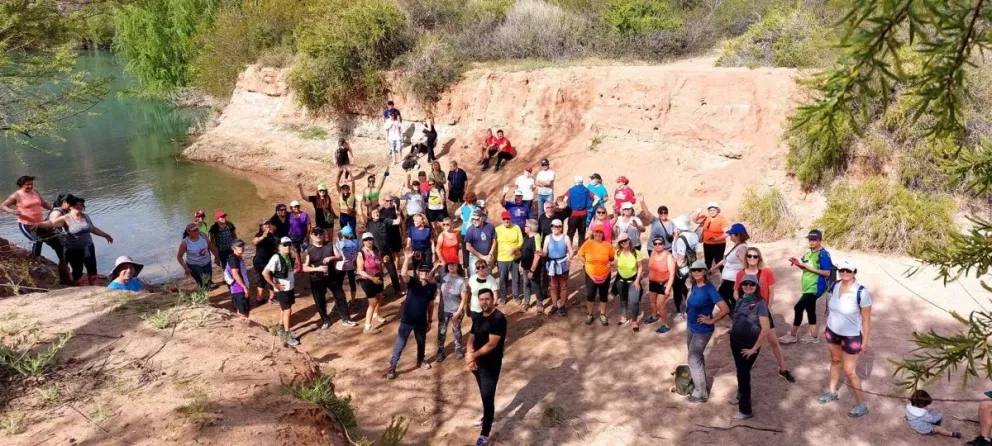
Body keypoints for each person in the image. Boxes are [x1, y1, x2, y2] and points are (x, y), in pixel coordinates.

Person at [817, 259, 871, 418]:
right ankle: (832, 392)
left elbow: (867, 320)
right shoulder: (834, 286)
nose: (845, 273)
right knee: (834, 361)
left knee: (849, 371)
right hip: (832, 331)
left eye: (848, 271)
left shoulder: (861, 292)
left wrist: (865, 341)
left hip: (851, 335)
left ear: (854, 272)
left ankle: (862, 404)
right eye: (842, 271)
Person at [733, 247, 795, 382]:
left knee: (773, 341)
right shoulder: (740, 273)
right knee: (747, 340)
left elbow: (771, 291)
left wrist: (768, 307)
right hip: (747, 314)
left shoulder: (766, 272)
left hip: (762, 312)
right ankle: (747, 366)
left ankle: (783, 369)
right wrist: (740, 305)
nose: (752, 259)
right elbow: (736, 291)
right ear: (746, 258)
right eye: (749, 256)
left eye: (755, 256)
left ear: (759, 258)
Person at [37, 196, 113, 286]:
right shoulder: (66, 218)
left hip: (88, 247)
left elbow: (93, 229)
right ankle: (79, 290)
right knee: (77, 271)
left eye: (81, 205)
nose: (79, 206)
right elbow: (52, 223)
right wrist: (39, 224)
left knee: (92, 270)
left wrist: (106, 235)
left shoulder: (85, 216)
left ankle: (94, 287)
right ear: (71, 207)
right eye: (76, 205)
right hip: (73, 249)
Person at [684, 260, 730, 403]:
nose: (696, 272)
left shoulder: (709, 289)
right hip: (691, 327)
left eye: (699, 270)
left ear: (704, 272)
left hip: (702, 330)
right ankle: (700, 384)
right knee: (696, 358)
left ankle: (701, 393)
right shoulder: (694, 285)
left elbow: (725, 309)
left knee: (693, 358)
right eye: (693, 270)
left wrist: (711, 320)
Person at [466, 288, 506, 446]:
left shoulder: (499, 318)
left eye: (487, 299)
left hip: (491, 365)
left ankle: (485, 434)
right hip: (477, 363)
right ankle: (486, 415)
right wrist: (470, 357)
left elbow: (492, 344)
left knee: (488, 397)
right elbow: (471, 338)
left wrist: (473, 356)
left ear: (492, 299)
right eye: (481, 299)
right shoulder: (478, 318)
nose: (484, 302)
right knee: (483, 392)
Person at [386, 259, 439, 379]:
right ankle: (392, 367)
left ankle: (420, 360)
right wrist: (406, 257)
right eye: (421, 272)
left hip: (421, 321)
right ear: (418, 273)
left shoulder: (431, 286)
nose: (424, 274)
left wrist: (429, 321)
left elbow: (430, 305)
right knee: (400, 344)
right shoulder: (413, 282)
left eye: (426, 272)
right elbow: (404, 274)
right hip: (407, 320)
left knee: (421, 342)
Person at [727, 274, 771, 420]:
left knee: (743, 374)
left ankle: (746, 410)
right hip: (735, 341)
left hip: (749, 345)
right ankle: (740, 396)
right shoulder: (740, 299)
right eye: (745, 284)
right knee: (740, 371)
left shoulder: (760, 304)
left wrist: (754, 348)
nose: (748, 286)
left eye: (751, 284)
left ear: (756, 287)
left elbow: (765, 329)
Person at [780, 229, 834, 344]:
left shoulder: (823, 254)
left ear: (820, 240)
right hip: (807, 286)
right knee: (810, 309)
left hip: (816, 287)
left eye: (814, 239)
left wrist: (807, 267)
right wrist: (798, 264)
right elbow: (805, 267)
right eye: (810, 239)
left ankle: (792, 335)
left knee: (798, 307)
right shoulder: (808, 251)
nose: (811, 242)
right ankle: (814, 336)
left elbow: (827, 273)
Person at [306, 228, 357, 330]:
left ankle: (346, 319)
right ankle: (325, 320)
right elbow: (304, 267)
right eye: (315, 234)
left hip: (331, 276)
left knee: (340, 296)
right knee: (320, 300)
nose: (318, 235)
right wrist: (317, 268)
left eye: (320, 233)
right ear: (311, 236)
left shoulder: (330, 245)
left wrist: (331, 258)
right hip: (316, 278)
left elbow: (340, 257)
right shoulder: (309, 250)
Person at [2, 175, 52, 257]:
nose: (30, 186)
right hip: (26, 224)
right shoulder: (16, 195)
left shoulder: (35, 191)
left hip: (40, 222)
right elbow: (3, 206)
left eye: (31, 184)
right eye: (27, 184)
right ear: (21, 185)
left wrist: (52, 208)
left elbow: (43, 203)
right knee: (37, 241)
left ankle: (37, 258)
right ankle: (35, 261)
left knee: (50, 239)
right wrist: (12, 211)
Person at [263, 237, 299, 346]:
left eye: (289, 244)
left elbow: (291, 269)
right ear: (279, 246)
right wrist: (275, 285)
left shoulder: (289, 256)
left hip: (289, 287)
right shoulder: (276, 258)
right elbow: (265, 273)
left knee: (284, 309)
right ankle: (287, 335)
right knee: (288, 310)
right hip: (283, 289)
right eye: (285, 245)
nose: (287, 246)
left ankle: (280, 327)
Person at [578, 223, 615, 326]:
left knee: (603, 295)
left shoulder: (607, 245)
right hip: (590, 274)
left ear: (603, 234)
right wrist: (585, 263)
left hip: (605, 274)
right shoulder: (588, 243)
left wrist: (611, 263)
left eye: (600, 232)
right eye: (596, 232)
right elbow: (580, 254)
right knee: (591, 294)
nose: (598, 234)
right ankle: (590, 314)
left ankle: (602, 314)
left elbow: (613, 257)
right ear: (593, 233)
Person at [712, 223, 748, 314]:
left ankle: (735, 316)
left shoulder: (741, 249)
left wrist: (742, 281)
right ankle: (736, 316)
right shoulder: (736, 245)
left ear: (737, 235)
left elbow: (746, 266)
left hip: (733, 281)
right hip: (729, 280)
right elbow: (726, 259)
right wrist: (715, 267)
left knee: (722, 297)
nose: (729, 236)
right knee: (731, 298)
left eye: (731, 234)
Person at [366, 206, 404, 294]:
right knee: (377, 272)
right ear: (371, 215)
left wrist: (398, 214)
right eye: (374, 213)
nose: (377, 214)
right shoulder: (369, 224)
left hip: (386, 251)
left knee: (392, 271)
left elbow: (398, 222)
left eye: (377, 212)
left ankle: (397, 289)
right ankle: (380, 292)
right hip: (375, 252)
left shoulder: (385, 220)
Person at [436, 262, 467, 362]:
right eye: (450, 265)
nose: (452, 267)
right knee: (442, 331)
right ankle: (440, 351)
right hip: (443, 310)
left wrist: (458, 312)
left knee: (456, 330)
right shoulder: (443, 277)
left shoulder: (461, 281)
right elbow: (429, 279)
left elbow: (464, 299)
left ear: (458, 267)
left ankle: (458, 348)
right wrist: (435, 266)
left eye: (454, 265)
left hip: (456, 310)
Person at [644, 237, 676, 334]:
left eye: (660, 243)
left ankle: (665, 325)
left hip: (663, 284)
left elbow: (672, 274)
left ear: (664, 244)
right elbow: (650, 267)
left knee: (660, 305)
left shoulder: (668, 256)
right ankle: (654, 316)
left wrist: (668, 287)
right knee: (652, 302)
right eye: (655, 243)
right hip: (653, 282)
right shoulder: (653, 253)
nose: (657, 245)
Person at [612, 233, 643, 331]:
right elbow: (616, 265)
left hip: (633, 280)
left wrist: (638, 280)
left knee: (634, 301)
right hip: (620, 279)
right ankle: (624, 317)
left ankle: (634, 321)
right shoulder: (617, 252)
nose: (624, 243)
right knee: (622, 298)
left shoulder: (636, 253)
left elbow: (640, 267)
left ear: (629, 240)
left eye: (625, 240)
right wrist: (611, 264)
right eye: (621, 242)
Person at [671, 215, 699, 321]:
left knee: (677, 289)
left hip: (682, 268)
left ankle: (679, 312)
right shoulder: (693, 235)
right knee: (689, 288)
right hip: (692, 265)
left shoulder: (681, 239)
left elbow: (680, 257)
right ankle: (690, 310)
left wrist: (674, 270)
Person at [357, 232, 386, 333]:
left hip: (378, 277)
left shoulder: (376, 250)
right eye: (366, 240)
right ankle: (367, 327)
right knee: (372, 302)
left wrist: (383, 261)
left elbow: (379, 263)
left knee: (379, 297)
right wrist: (372, 279)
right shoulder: (361, 253)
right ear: (363, 242)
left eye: (370, 239)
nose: (368, 241)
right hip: (367, 279)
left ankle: (376, 315)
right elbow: (360, 271)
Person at [543, 219, 573, 316]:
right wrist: (541, 253)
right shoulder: (548, 237)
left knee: (563, 286)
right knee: (553, 286)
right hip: (552, 265)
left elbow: (571, 251)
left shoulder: (565, 237)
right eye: (552, 226)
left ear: (560, 227)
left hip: (563, 264)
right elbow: (544, 251)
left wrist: (569, 259)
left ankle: (562, 305)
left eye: (556, 226)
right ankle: (555, 305)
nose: (554, 228)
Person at [41, 193, 72, 285]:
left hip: (54, 235)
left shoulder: (64, 211)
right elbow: (52, 223)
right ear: (65, 203)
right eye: (71, 204)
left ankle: (64, 279)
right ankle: (66, 280)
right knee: (64, 257)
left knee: (64, 257)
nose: (72, 207)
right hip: (50, 236)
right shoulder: (57, 212)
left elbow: (66, 225)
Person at [494, 211, 523, 305]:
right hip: (502, 258)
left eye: (508, 218)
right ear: (501, 219)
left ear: (511, 218)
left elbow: (521, 241)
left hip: (515, 258)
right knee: (502, 279)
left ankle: (516, 296)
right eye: (504, 219)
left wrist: (516, 248)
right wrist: (495, 258)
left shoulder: (516, 227)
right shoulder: (497, 229)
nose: (506, 220)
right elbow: (495, 244)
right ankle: (503, 297)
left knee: (516, 278)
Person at [560, 176, 597, 247]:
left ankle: (569, 249)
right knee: (582, 233)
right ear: (582, 182)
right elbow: (597, 198)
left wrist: (566, 208)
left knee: (570, 233)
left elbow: (564, 200)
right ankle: (581, 249)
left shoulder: (570, 190)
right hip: (584, 214)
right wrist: (591, 205)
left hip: (573, 214)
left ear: (575, 181)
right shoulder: (587, 190)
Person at [692, 202, 729, 269]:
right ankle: (707, 276)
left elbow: (727, 233)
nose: (712, 212)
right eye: (710, 210)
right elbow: (695, 220)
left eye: (714, 210)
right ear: (708, 211)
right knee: (707, 261)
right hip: (707, 244)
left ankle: (722, 277)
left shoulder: (722, 219)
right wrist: (698, 212)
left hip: (719, 244)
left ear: (717, 210)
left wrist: (717, 239)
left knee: (719, 261)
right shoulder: (706, 217)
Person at [252, 220, 279, 305]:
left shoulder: (272, 235)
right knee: (269, 277)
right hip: (260, 261)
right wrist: (263, 236)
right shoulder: (259, 234)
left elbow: (276, 246)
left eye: (268, 224)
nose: (267, 225)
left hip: (269, 261)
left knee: (263, 279)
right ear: (261, 227)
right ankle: (271, 298)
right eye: (265, 224)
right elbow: (254, 241)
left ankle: (259, 299)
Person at [520, 220, 544, 312]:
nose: (524, 227)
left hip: (533, 267)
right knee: (526, 284)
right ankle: (526, 302)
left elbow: (537, 255)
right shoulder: (526, 237)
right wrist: (521, 265)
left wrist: (532, 270)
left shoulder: (536, 237)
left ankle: (539, 303)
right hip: (525, 266)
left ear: (531, 228)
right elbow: (523, 252)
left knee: (535, 284)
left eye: (526, 225)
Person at [464, 210, 497, 277]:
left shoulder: (490, 227)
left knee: (488, 276)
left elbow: (494, 241)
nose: (474, 221)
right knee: (474, 276)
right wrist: (482, 257)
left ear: (482, 218)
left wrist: (490, 254)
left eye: (476, 219)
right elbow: (468, 246)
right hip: (475, 257)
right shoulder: (470, 230)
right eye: (473, 219)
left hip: (488, 256)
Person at [224, 240, 250, 318]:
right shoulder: (233, 258)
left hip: (239, 289)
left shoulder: (238, 258)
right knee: (244, 312)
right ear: (233, 248)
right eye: (239, 246)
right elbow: (235, 274)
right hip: (238, 289)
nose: (241, 247)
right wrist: (244, 287)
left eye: (242, 245)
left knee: (242, 311)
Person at [456, 192, 479, 270]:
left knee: (465, 252)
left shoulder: (464, 209)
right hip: (475, 232)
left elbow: (456, 213)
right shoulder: (477, 209)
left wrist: (463, 204)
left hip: (464, 232)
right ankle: (475, 269)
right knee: (474, 252)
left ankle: (466, 270)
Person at [287, 201, 311, 271]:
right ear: (291, 208)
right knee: (296, 251)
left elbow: (309, 226)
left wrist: (307, 236)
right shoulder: (289, 215)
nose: (296, 208)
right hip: (293, 237)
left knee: (306, 251)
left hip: (304, 236)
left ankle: (307, 265)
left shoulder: (304, 214)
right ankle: (299, 265)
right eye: (294, 207)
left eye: (297, 206)